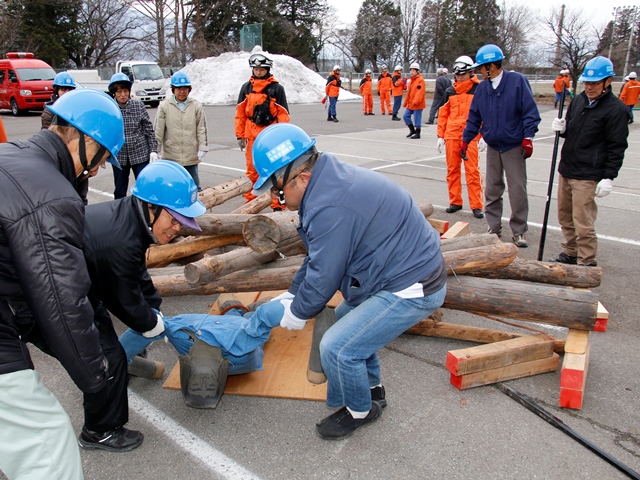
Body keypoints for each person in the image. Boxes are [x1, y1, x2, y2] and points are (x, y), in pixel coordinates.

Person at [251, 123, 447, 440]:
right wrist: (291, 295)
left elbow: (326, 272)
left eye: (277, 188)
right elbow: (319, 256)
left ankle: (361, 410)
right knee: (345, 322)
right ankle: (373, 390)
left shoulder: (329, 204)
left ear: (301, 177)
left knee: (338, 347)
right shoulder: (325, 182)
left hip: (412, 284)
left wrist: (298, 312)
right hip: (394, 270)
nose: (276, 196)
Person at [0, 89, 124, 479]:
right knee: (46, 441)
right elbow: (61, 299)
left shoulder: (11, 156)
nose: (101, 168)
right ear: (83, 140)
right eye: (102, 155)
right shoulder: (52, 196)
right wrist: (94, 376)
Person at [77, 160, 206, 441]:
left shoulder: (131, 217)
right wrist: (150, 323)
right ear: (151, 207)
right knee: (107, 358)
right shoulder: (118, 242)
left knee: (118, 341)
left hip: (84, 277)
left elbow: (136, 271)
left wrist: (153, 304)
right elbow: (123, 300)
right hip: (52, 291)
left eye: (181, 222)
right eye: (173, 219)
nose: (176, 229)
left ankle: (115, 373)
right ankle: (99, 431)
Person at [549, 56, 629, 267]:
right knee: (565, 216)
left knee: (583, 221)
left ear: (607, 82)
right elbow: (573, 130)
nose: (590, 87)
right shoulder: (579, 100)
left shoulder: (615, 110)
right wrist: (563, 129)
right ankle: (571, 251)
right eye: (587, 82)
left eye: (594, 83)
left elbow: (617, 146)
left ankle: (586, 261)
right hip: (567, 167)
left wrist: (609, 177)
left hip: (588, 173)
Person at [462, 44, 541, 248]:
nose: (478, 71)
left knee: (517, 188)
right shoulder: (483, 89)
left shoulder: (517, 82)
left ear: (490, 66)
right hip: (493, 145)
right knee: (492, 189)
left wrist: (528, 137)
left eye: (481, 67)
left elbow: (530, 112)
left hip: (514, 145)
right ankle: (493, 227)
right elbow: (474, 117)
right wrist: (466, 140)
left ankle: (519, 231)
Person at [235, 52, 290, 210]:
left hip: (271, 136)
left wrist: (282, 135)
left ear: (267, 69)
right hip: (252, 136)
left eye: (262, 69)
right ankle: (250, 204)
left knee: (274, 171)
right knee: (252, 172)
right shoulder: (246, 88)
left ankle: (277, 204)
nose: (259, 72)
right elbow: (240, 114)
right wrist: (240, 135)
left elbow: (283, 114)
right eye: (256, 69)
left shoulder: (277, 89)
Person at [437, 56, 484, 219]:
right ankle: (455, 201)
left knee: (472, 171)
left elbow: (485, 114)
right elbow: (443, 114)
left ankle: (477, 205)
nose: (459, 77)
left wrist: (484, 134)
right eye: (457, 74)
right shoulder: (450, 91)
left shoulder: (479, 90)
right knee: (452, 170)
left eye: (463, 74)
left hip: (470, 136)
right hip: (452, 135)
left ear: (471, 72)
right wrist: (440, 135)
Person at [154, 71, 208, 190]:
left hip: (190, 155)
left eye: (185, 88)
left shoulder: (196, 106)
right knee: (172, 187)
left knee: (193, 187)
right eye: (178, 88)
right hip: (171, 156)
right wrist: (155, 149)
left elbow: (201, 128)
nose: (182, 92)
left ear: (189, 89)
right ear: (173, 89)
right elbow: (158, 129)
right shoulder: (164, 106)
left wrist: (203, 146)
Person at [108, 73, 158, 199]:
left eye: (125, 91)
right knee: (119, 190)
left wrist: (153, 150)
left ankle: (146, 214)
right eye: (119, 92)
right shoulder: (110, 108)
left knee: (144, 187)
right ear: (114, 93)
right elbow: (106, 133)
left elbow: (148, 130)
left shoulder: (138, 106)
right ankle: (120, 215)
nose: (122, 95)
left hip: (140, 153)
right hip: (119, 156)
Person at [403, 63, 426, 139]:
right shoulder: (411, 81)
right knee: (405, 116)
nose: (412, 72)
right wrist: (406, 102)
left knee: (417, 119)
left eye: (413, 70)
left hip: (417, 104)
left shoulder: (420, 80)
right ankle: (412, 130)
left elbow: (420, 93)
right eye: (411, 70)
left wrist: (416, 102)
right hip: (410, 103)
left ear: (417, 71)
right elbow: (409, 93)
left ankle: (418, 132)